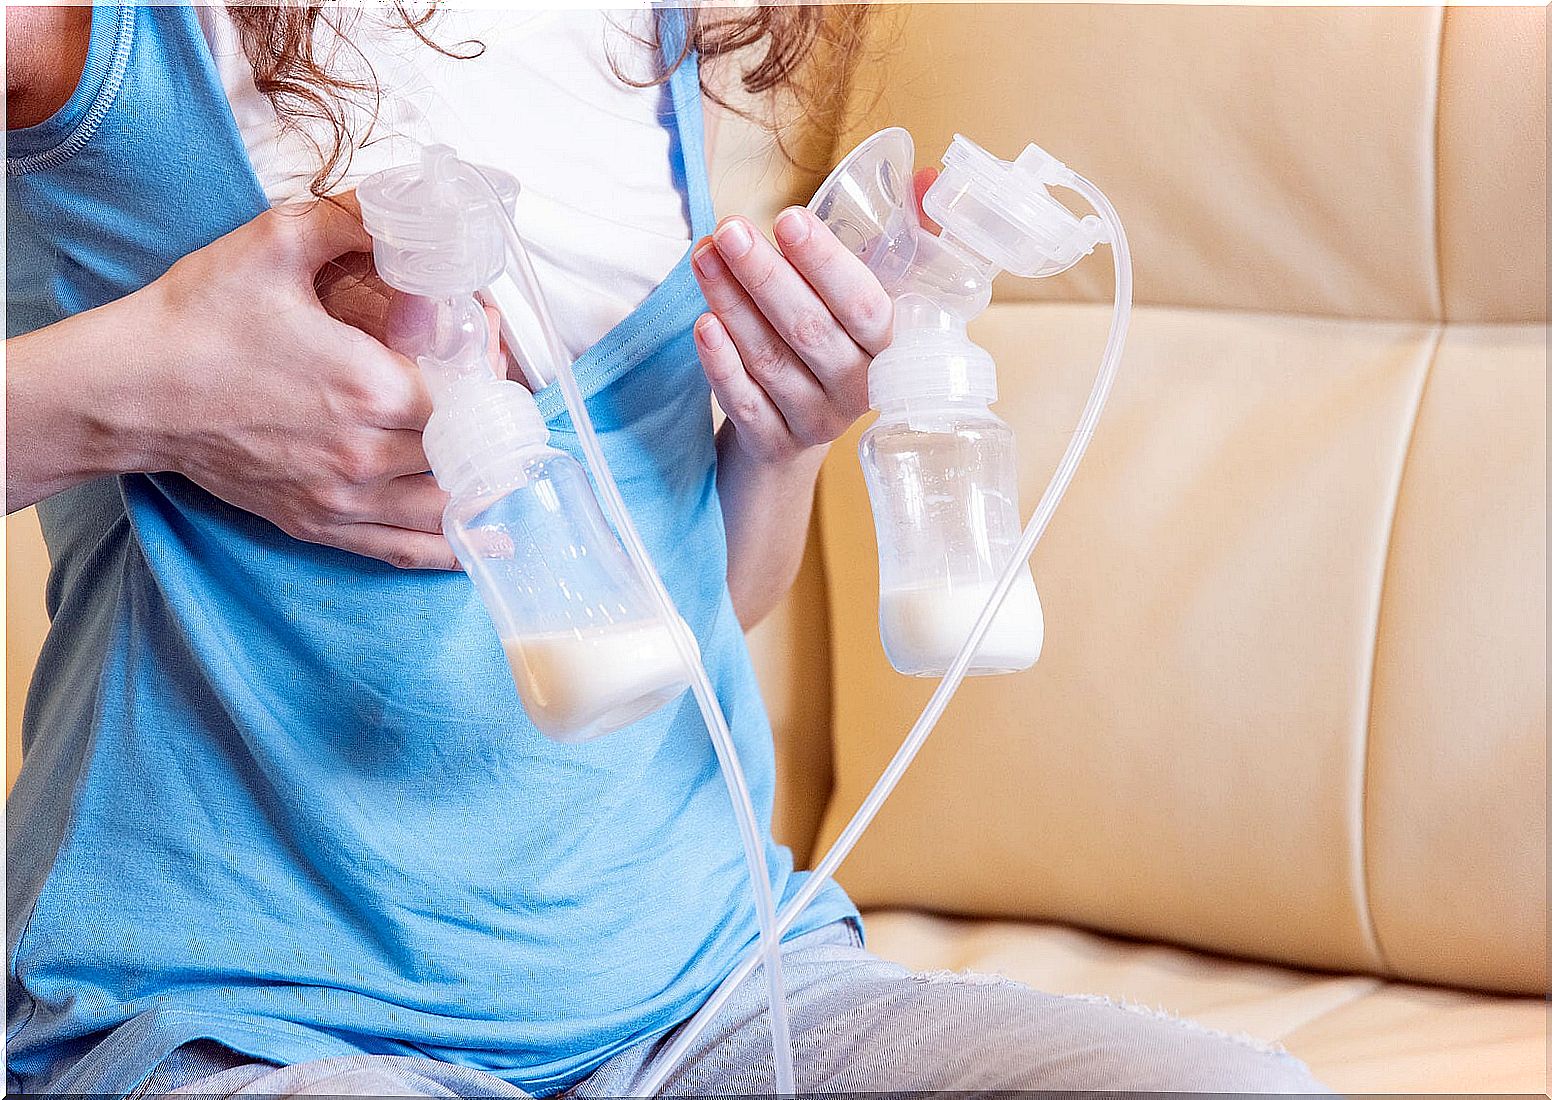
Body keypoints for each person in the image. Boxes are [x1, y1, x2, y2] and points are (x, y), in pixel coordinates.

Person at [5, 5, 1329, 1096]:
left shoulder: (661, 29)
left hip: (712, 993)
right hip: (256, 1030)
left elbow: (696, 608)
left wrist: (783, 438)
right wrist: (138, 391)